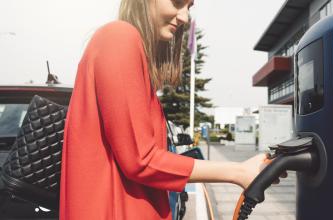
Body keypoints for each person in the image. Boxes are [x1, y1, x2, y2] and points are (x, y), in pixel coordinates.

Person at [59, 0, 282, 219]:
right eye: (177, 2)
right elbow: (141, 159)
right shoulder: (119, 37)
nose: (185, 16)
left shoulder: (126, 46)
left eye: (189, 7)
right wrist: (238, 171)